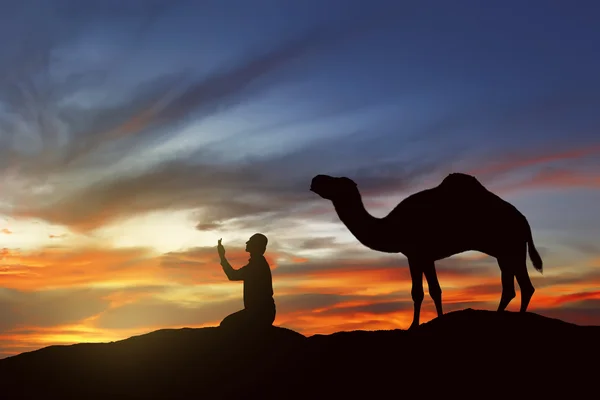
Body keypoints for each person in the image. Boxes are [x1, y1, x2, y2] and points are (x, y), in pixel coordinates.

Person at [217, 233, 276, 331]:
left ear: (256, 245)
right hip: (259, 312)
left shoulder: (257, 265)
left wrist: (222, 257)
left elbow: (232, 275)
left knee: (227, 324)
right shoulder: (257, 263)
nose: (247, 242)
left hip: (260, 313)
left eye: (250, 241)